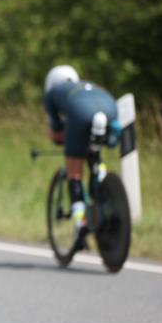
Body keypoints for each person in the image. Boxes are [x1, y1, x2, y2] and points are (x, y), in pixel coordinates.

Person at [43, 65, 122, 247]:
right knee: (94, 152)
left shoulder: (52, 93)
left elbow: (56, 131)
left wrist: (60, 137)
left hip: (81, 112)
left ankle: (81, 224)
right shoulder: (89, 84)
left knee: (75, 172)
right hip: (109, 106)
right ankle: (102, 184)